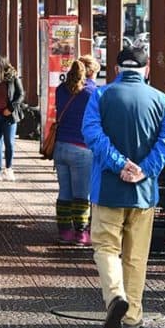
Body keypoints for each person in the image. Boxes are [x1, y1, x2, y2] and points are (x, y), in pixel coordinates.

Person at [82, 46, 165, 328]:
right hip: (144, 193)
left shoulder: (100, 96)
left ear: (116, 70)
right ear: (147, 70)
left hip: (107, 190)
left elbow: (92, 133)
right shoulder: (161, 100)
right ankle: (134, 315)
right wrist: (144, 169)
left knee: (106, 247)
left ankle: (115, 297)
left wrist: (118, 163)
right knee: (136, 256)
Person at [53, 55, 100, 246]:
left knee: (64, 192)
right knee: (81, 194)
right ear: (90, 72)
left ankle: (64, 232)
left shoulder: (60, 90)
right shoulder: (93, 93)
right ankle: (81, 234)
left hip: (60, 146)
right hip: (82, 149)